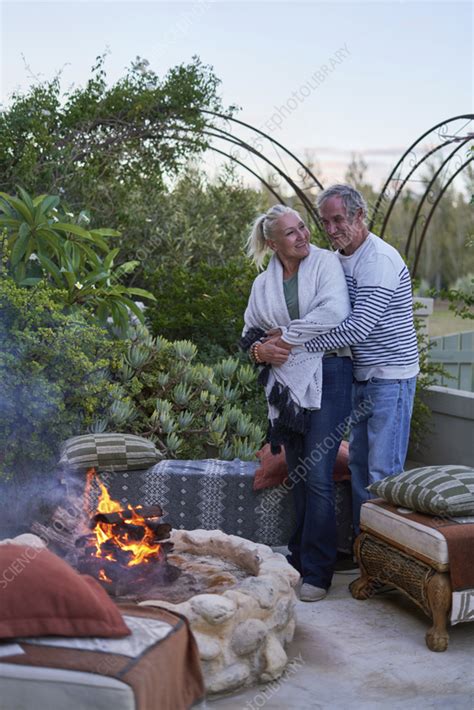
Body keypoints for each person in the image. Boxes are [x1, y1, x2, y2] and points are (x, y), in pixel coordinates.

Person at [268, 185, 419, 541]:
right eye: (325, 222)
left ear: (359, 216)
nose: (331, 229)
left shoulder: (378, 261)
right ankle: (366, 552)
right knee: (359, 465)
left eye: (339, 220)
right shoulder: (336, 258)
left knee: (383, 474)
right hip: (361, 377)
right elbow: (318, 308)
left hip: (391, 378)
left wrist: (293, 343)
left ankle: (386, 560)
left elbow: (357, 327)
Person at [242, 204, 353, 602]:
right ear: (273, 243)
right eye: (291, 233)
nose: (303, 235)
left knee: (319, 475)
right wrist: (261, 351)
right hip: (287, 387)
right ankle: (301, 558)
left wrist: (285, 338)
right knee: (300, 473)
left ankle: (318, 573)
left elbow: (336, 312)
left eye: (303, 227)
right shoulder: (263, 285)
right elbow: (250, 332)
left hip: (331, 376)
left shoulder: (325, 264)